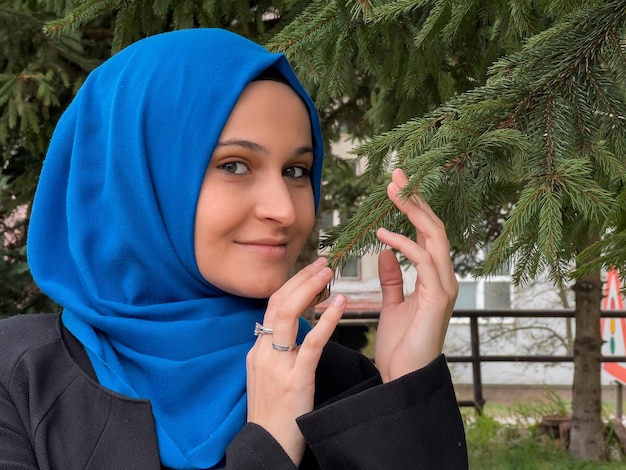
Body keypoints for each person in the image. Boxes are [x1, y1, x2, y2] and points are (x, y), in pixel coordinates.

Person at [0, 28, 467, 469]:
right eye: (236, 165)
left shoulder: (344, 380)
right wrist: (270, 442)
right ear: (137, 179)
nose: (285, 210)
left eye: (297, 171)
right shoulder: (20, 378)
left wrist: (406, 388)